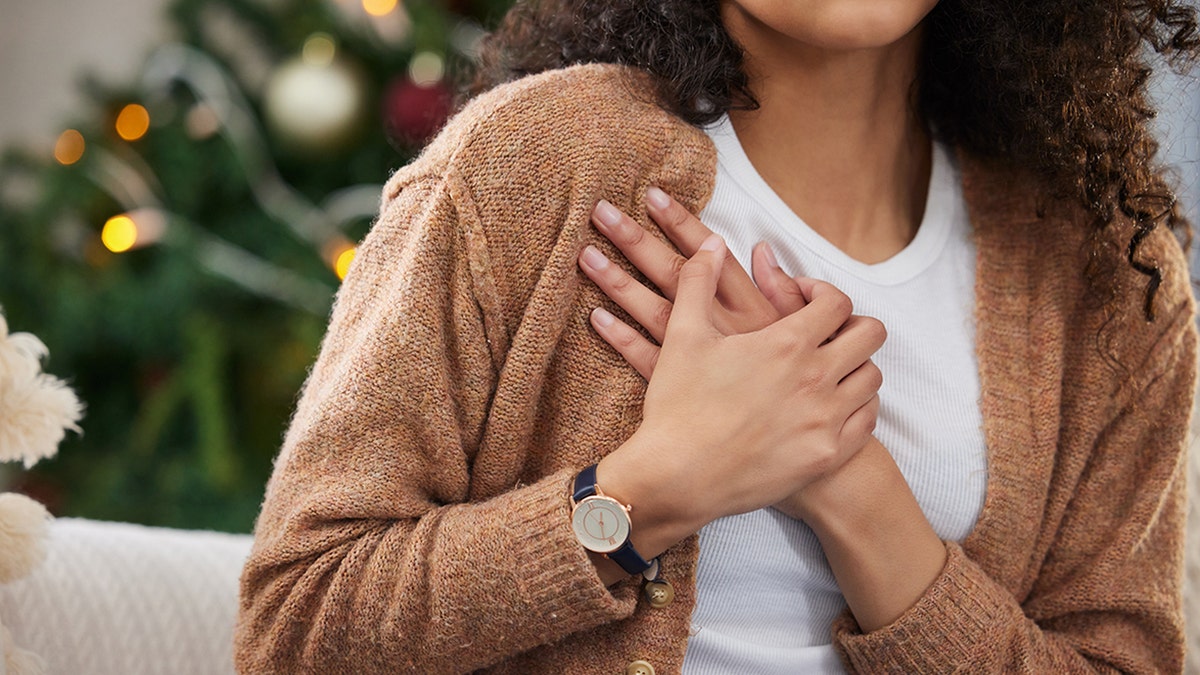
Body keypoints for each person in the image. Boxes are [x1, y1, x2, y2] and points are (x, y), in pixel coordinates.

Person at [234, 1, 1200, 673]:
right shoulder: (532, 167)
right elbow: (296, 625)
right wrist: (652, 490)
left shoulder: (1109, 273)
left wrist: (852, 487)